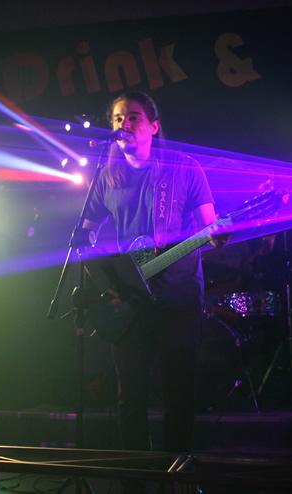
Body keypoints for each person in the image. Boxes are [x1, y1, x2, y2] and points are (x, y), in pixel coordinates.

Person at [82, 92, 229, 460]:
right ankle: (136, 478)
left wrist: (217, 234)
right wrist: (107, 286)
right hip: (129, 301)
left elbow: (210, 225)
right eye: (118, 118)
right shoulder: (106, 176)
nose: (124, 124)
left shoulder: (183, 168)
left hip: (178, 297)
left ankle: (175, 477)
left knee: (178, 395)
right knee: (129, 398)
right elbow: (85, 239)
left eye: (133, 117)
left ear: (153, 126)